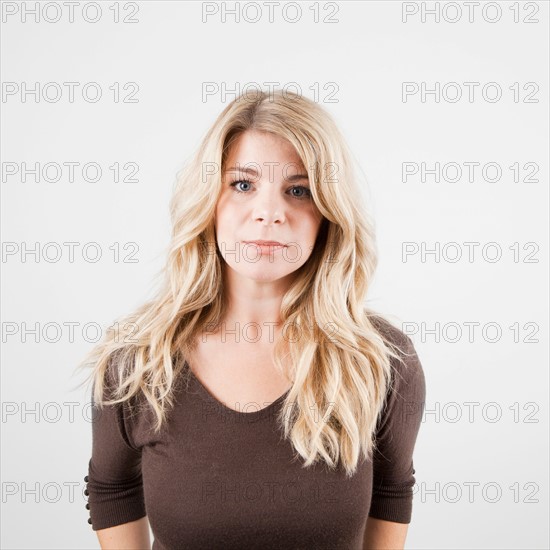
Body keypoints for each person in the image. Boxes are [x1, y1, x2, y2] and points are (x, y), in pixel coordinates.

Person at [76, 89, 426, 550]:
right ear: (209, 200)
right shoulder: (137, 359)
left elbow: (391, 490)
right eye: (243, 184)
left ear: (328, 214)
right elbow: (112, 488)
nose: (269, 213)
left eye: (298, 190)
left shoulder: (381, 360)